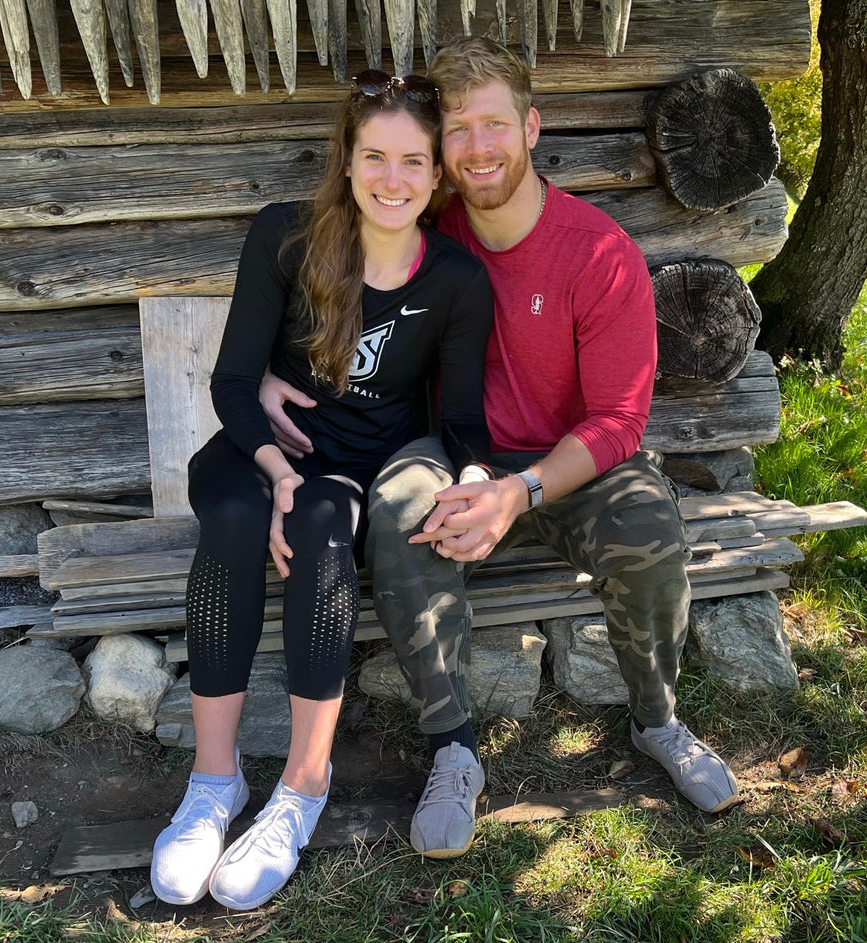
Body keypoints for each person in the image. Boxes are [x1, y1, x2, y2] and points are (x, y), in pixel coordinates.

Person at [263, 36, 739, 861]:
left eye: (494, 125)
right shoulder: (421, 225)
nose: (477, 147)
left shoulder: (599, 253)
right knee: (402, 513)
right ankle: (453, 748)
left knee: (651, 531)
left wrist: (519, 491)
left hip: (566, 464)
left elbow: (621, 420)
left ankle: (657, 719)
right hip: (450, 446)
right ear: (439, 149)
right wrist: (270, 373)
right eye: (457, 129)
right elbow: (329, 276)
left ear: (531, 128)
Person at [149, 71, 494, 909]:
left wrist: (480, 478)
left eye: (414, 162)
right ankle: (213, 784)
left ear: (437, 176)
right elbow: (234, 383)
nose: (392, 179)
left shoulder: (454, 281)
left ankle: (302, 788)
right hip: (260, 450)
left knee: (317, 526)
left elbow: (462, 419)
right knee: (231, 513)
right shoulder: (286, 240)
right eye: (374, 156)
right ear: (347, 161)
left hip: (347, 467)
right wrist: (273, 470)